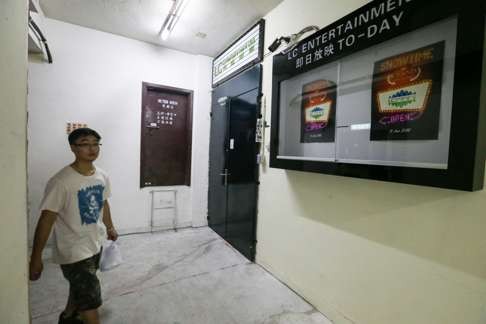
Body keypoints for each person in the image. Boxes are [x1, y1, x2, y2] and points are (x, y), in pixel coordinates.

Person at [29, 128, 118, 324]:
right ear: (73, 148)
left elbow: (104, 203)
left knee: (80, 288)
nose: (92, 148)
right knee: (91, 301)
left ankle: (68, 316)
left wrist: (110, 227)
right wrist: (36, 258)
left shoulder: (102, 176)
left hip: (94, 243)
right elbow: (46, 220)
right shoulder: (61, 181)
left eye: (95, 143)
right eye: (85, 143)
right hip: (73, 250)